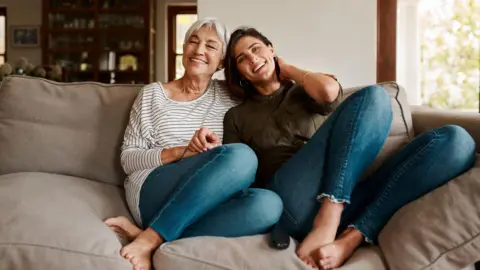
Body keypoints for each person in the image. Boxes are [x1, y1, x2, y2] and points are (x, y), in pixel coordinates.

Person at [222, 27, 476, 270]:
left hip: (348, 190)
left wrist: (288, 69)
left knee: (456, 141)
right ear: (241, 73)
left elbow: (329, 91)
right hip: (293, 201)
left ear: (271, 49)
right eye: (242, 59)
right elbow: (239, 176)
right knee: (375, 97)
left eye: (257, 49)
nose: (253, 59)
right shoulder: (237, 116)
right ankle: (329, 216)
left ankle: (352, 236)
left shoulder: (305, 90)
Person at [104, 20, 283, 270]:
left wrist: (285, 66)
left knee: (268, 206)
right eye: (193, 41)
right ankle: (152, 237)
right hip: (153, 191)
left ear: (222, 61)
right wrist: (183, 152)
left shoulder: (232, 98)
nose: (199, 50)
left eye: (211, 45)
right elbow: (128, 159)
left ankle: (150, 237)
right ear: (184, 49)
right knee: (242, 156)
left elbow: (270, 80)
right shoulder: (153, 95)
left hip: (202, 200)